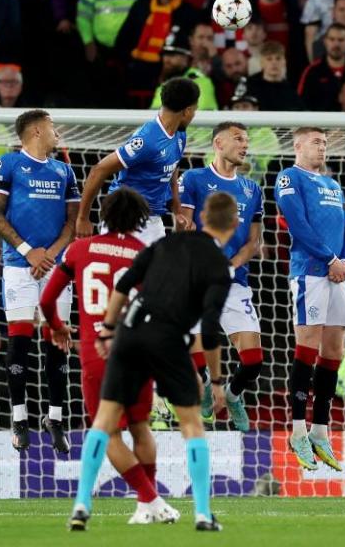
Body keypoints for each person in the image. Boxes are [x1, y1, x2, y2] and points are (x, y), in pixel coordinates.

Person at [68, 192, 237, 532]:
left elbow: (125, 284)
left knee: (103, 421)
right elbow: (209, 328)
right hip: (169, 340)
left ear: (202, 215)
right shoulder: (221, 266)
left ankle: (81, 504)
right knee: (191, 424)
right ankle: (203, 514)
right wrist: (216, 381)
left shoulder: (166, 244)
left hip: (129, 333)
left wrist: (108, 331)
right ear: (234, 224)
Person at [41, 187, 179, 524]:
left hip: (97, 352)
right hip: (138, 350)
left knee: (109, 433)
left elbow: (46, 301)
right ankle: (146, 507)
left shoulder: (78, 249)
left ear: (103, 215)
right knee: (141, 427)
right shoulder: (145, 253)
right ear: (140, 220)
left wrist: (58, 327)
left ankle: (151, 499)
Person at [0, 109, 79, 453]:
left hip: (54, 266)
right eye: (53, 127)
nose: (58, 132)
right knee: (19, 341)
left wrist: (49, 254)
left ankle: (55, 418)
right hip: (18, 264)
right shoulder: (7, 164)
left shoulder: (64, 170)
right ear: (37, 131)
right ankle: (19, 417)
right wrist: (28, 252)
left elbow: (72, 222)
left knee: (57, 340)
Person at [275, 127, 345, 472]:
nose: (322, 148)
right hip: (310, 271)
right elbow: (298, 225)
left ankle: (320, 429)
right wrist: (329, 260)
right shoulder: (289, 178)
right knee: (307, 345)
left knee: (334, 350)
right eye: (315, 142)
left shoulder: (334, 185)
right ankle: (296, 431)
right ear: (298, 145)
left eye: (325, 143)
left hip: (338, 273)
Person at [178, 122, 264, 431]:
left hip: (235, 282)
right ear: (218, 142)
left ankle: (233, 394)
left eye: (247, 139)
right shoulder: (195, 178)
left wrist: (229, 267)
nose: (245, 144)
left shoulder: (252, 189)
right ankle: (203, 388)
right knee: (199, 345)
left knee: (254, 360)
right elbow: (183, 224)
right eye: (239, 138)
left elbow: (255, 241)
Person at [76, 76, 199, 244]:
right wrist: (83, 217)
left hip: (153, 220)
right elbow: (99, 169)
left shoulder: (179, 133)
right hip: (123, 217)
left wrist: (177, 209)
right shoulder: (147, 140)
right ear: (187, 111)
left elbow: (172, 167)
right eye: (194, 110)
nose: (194, 115)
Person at [297, 23, 345, 112]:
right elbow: (301, 105)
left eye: (341, 40)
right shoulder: (312, 71)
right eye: (332, 39)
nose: (336, 44)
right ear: (325, 41)